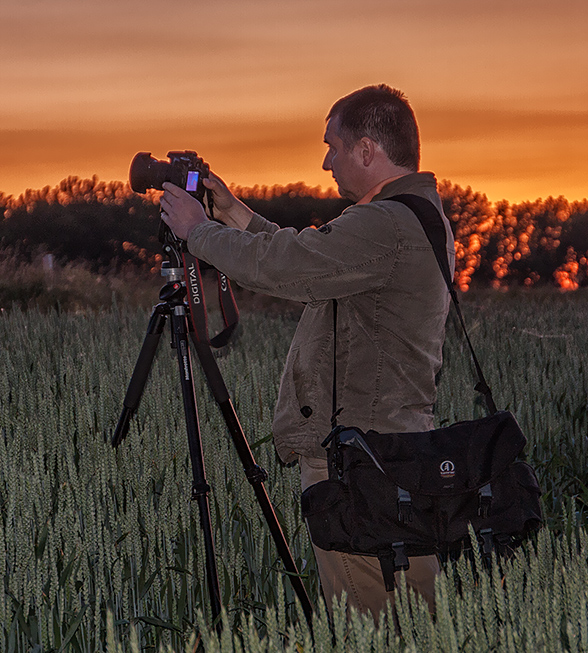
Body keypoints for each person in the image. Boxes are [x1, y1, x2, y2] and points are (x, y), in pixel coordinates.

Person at [159, 84, 454, 617]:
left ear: (367, 150)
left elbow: (291, 267)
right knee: (410, 618)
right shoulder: (410, 215)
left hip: (360, 461)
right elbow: (317, 259)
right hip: (387, 452)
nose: (325, 162)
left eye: (333, 146)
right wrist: (235, 214)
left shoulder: (383, 224)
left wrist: (198, 233)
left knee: (374, 626)